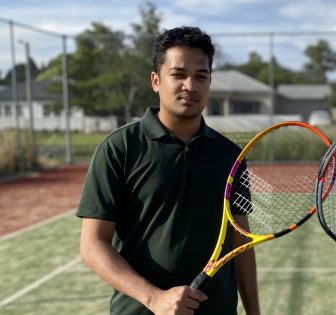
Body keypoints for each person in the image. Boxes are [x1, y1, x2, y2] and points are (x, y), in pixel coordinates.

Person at [77, 26, 260, 315]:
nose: (190, 85)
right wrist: (154, 298)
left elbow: (241, 244)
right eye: (178, 75)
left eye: (201, 76)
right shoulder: (119, 148)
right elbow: (92, 245)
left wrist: (254, 313)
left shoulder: (231, 156)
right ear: (155, 81)